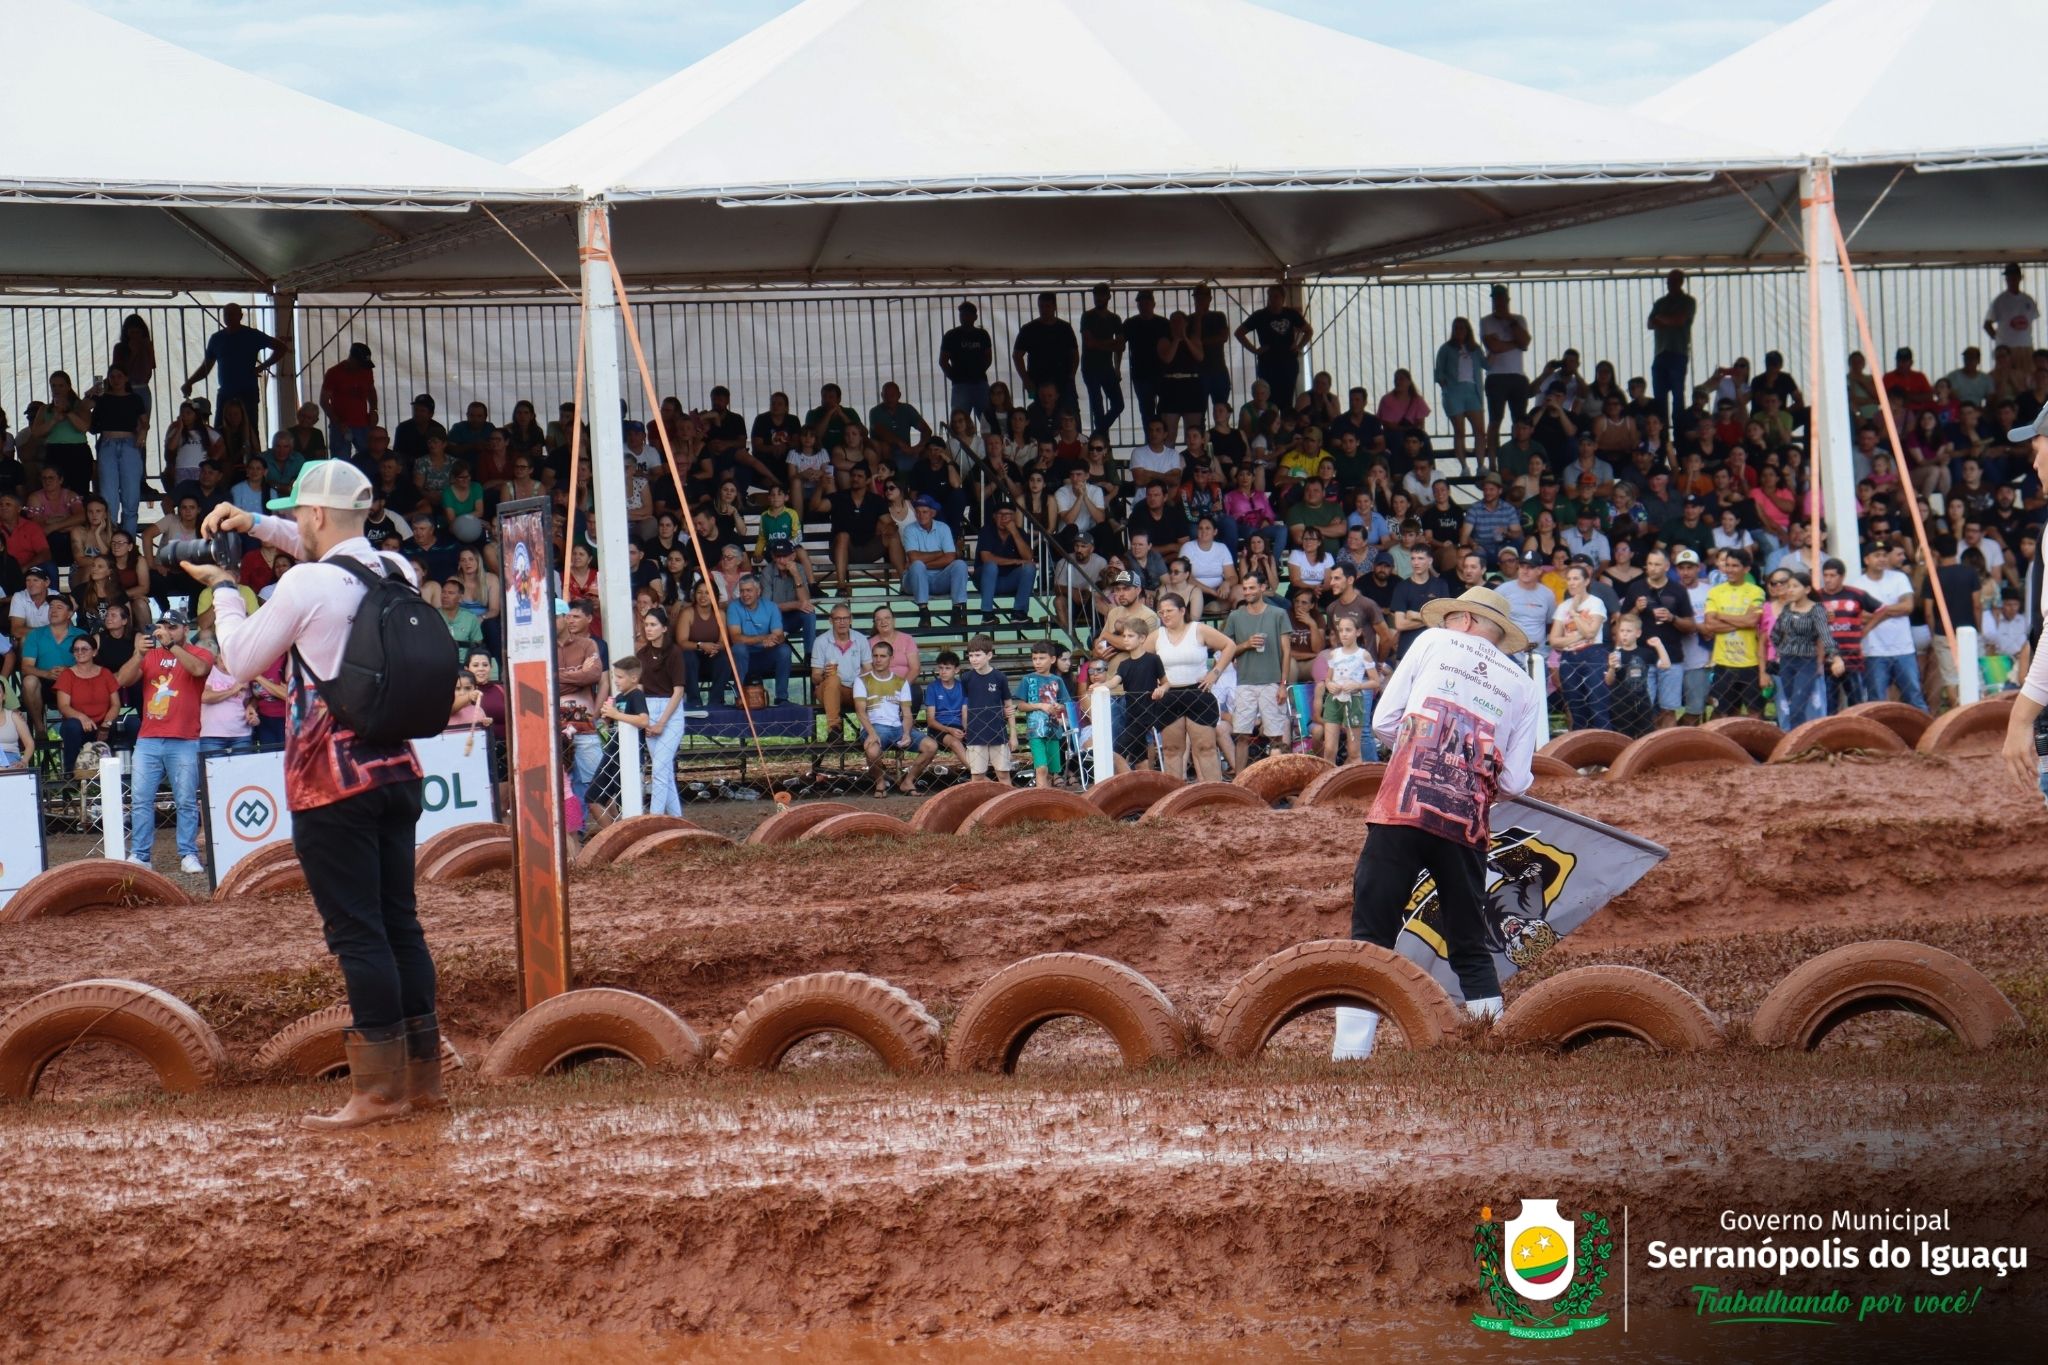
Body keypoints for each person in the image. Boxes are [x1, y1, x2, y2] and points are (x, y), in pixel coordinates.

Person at [193, 461, 447, 1128]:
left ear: (311, 515)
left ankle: (376, 1092)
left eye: (295, 515)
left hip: (330, 782)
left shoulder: (306, 583)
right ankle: (421, 1080)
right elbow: (328, 554)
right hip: (397, 769)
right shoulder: (397, 569)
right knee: (399, 924)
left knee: (356, 932)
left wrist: (225, 587)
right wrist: (256, 526)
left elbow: (241, 659)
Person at [1338, 587, 1540, 1060]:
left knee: (1371, 932)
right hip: (1466, 827)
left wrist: (1413, 744)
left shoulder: (1431, 641)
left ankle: (1350, 1056)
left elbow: (1386, 720)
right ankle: (1490, 1047)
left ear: (1465, 621)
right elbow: (1516, 778)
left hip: (1400, 812)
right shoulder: (1524, 686)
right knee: (1469, 941)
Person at [1222, 571, 1288, 773]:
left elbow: (1287, 651)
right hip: (1245, 683)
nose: (1247, 592)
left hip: (1271, 681)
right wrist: (1246, 644)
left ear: (1262, 587)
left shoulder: (1278, 614)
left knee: (1276, 736)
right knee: (1241, 735)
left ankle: (1281, 780)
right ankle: (1240, 783)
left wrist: (1283, 684)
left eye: (1252, 587)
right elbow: (1226, 647)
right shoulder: (1235, 616)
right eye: (1245, 588)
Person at [1769, 569, 1844, 728]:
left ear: (1807, 589)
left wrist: (1835, 658)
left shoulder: (1816, 610)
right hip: (1786, 661)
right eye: (1788, 586)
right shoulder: (1788, 608)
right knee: (1789, 703)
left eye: (1795, 586)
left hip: (1806, 662)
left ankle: (1798, 742)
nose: (1790, 590)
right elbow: (1775, 633)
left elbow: (1825, 635)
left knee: (1798, 705)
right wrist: (1780, 651)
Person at [1702, 548, 1767, 717]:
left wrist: (1722, 616)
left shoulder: (1756, 591)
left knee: (1755, 713)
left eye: (1735, 566)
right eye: (1727, 565)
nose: (1729, 569)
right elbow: (1709, 625)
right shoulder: (1715, 592)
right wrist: (1741, 621)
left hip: (1750, 663)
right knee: (1721, 713)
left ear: (1746, 569)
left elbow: (1752, 621)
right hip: (1723, 663)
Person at [1549, 563, 1610, 730]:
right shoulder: (1563, 606)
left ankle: (1608, 751)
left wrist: (1575, 613)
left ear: (1587, 580)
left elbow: (1591, 634)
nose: (1571, 582)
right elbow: (1554, 640)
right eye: (1569, 579)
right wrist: (1578, 636)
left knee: (1598, 705)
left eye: (1576, 578)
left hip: (1593, 655)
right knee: (1576, 709)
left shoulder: (1596, 602)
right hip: (1569, 657)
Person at [1235, 285, 1311, 407]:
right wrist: (1254, 350)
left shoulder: (1291, 314)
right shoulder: (1260, 315)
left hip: (1288, 362)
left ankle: (1285, 423)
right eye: (1270, 297)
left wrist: (1299, 346)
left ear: (1283, 298)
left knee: (1287, 400)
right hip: (1268, 363)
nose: (1272, 300)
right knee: (1268, 399)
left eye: (1276, 297)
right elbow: (1239, 333)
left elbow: (1308, 331)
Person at [1317, 613, 1378, 765]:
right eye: (1341, 630)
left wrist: (1358, 685)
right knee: (1330, 749)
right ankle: (1328, 784)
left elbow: (1375, 682)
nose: (1344, 634)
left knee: (1354, 751)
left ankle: (1355, 785)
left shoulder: (1363, 655)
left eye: (1348, 630)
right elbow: (1328, 677)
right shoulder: (1333, 654)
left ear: (1358, 632)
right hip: (1334, 700)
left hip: (1354, 701)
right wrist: (1329, 684)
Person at [1479, 285, 1532, 457]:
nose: (1498, 302)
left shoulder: (1519, 319)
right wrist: (1515, 343)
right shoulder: (1486, 321)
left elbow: (1524, 342)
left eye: (1501, 299)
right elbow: (1494, 347)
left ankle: (1517, 455)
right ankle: (1493, 459)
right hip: (1496, 376)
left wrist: (1510, 322)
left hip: (1517, 376)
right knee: (1495, 419)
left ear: (1507, 300)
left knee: (1519, 420)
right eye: (1495, 299)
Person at [55, 633, 120, 774]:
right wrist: (82, 717)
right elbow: (63, 706)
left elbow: (116, 704)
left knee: (132, 725)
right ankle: (71, 773)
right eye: (76, 649)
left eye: (84, 649)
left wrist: (106, 724)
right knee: (72, 726)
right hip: (79, 727)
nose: (79, 652)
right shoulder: (67, 675)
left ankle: (121, 772)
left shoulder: (106, 673)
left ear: (94, 652)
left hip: (103, 725)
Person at [901, 494, 968, 628]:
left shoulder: (943, 528)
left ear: (933, 513)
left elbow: (950, 557)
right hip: (914, 581)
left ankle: (956, 611)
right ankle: (924, 613)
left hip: (938, 579)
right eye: (918, 512)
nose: (921, 515)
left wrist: (922, 563)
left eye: (925, 512)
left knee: (960, 565)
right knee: (917, 565)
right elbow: (913, 557)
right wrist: (939, 553)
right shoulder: (909, 529)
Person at [726, 575, 792, 706]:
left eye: (749, 590)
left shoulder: (771, 607)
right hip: (743, 657)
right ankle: (740, 696)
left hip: (765, 655)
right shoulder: (734, 607)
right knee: (738, 649)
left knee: (784, 650)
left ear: (758, 591)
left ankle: (781, 697)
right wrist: (763, 638)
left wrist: (773, 640)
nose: (745, 594)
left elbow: (779, 636)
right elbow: (735, 638)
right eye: (742, 591)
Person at [1014, 641, 1072, 788]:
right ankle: (1042, 800)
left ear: (1052, 659)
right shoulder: (1027, 680)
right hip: (1035, 731)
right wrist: (1040, 705)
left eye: (1041, 658)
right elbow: (1020, 705)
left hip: (1053, 730)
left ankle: (1047, 799)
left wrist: (1059, 706)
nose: (1037, 662)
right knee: (1041, 768)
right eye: (1034, 658)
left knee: (1052, 771)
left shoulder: (1057, 680)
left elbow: (1065, 703)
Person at [1647, 269, 1696, 435]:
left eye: (1673, 281)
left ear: (1681, 282)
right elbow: (1650, 323)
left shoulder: (1688, 301)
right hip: (1661, 353)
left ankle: (1679, 435)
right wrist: (1668, 320)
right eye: (1668, 281)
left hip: (1677, 353)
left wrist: (1662, 318)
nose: (1670, 284)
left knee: (1677, 397)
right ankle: (1661, 436)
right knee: (1659, 399)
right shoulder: (1660, 302)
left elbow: (1679, 320)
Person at [960, 635, 1014, 781]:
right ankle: (978, 804)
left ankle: (1009, 803)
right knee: (977, 776)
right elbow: (964, 706)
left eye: (978, 655)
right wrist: (966, 728)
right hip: (975, 734)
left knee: (1003, 773)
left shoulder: (999, 677)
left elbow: (1009, 706)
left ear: (989, 655)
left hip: (998, 732)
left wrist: (1013, 735)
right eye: (970, 655)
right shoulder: (966, 678)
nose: (974, 659)